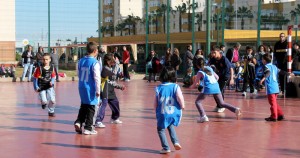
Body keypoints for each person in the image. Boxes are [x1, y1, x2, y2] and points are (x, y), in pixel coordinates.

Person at [190, 56, 242, 123]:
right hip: (216, 86)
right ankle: (235, 109)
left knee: (198, 102)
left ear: (197, 65)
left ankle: (203, 116)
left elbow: (196, 83)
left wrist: (190, 86)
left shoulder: (200, 72)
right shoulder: (209, 68)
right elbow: (217, 77)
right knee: (222, 103)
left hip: (208, 87)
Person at [154, 66, 185, 154]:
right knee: (170, 125)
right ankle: (176, 142)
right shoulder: (175, 86)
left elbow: (155, 101)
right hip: (173, 111)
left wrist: (155, 109)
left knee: (160, 129)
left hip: (163, 112)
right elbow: (179, 97)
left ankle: (165, 147)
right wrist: (182, 105)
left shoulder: (159, 88)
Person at [74, 42, 101, 135]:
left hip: (81, 86)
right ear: (95, 51)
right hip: (90, 87)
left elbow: (78, 73)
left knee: (84, 106)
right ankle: (88, 128)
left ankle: (78, 122)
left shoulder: (80, 61)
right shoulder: (95, 62)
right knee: (91, 107)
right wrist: (98, 90)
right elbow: (97, 78)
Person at [95, 53, 125, 128]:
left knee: (115, 103)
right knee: (104, 104)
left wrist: (119, 87)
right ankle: (98, 121)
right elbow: (111, 77)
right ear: (107, 61)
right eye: (112, 59)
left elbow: (113, 81)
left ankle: (114, 118)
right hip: (104, 89)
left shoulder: (110, 68)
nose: (113, 61)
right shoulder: (105, 69)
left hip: (111, 90)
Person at [259, 53, 291, 122]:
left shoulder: (266, 67)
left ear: (264, 60)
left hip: (271, 87)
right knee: (274, 102)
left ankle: (274, 116)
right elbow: (281, 72)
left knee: (272, 103)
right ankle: (280, 115)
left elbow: (267, 73)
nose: (262, 60)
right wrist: (288, 73)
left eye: (262, 59)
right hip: (276, 87)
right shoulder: (274, 66)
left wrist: (262, 79)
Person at [209, 46, 234, 113]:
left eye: (214, 52)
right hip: (218, 77)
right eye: (212, 53)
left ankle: (222, 106)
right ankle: (218, 105)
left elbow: (231, 68)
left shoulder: (224, 59)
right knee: (214, 91)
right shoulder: (213, 59)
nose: (213, 54)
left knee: (219, 90)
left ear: (219, 52)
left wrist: (232, 79)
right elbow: (208, 66)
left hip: (225, 77)